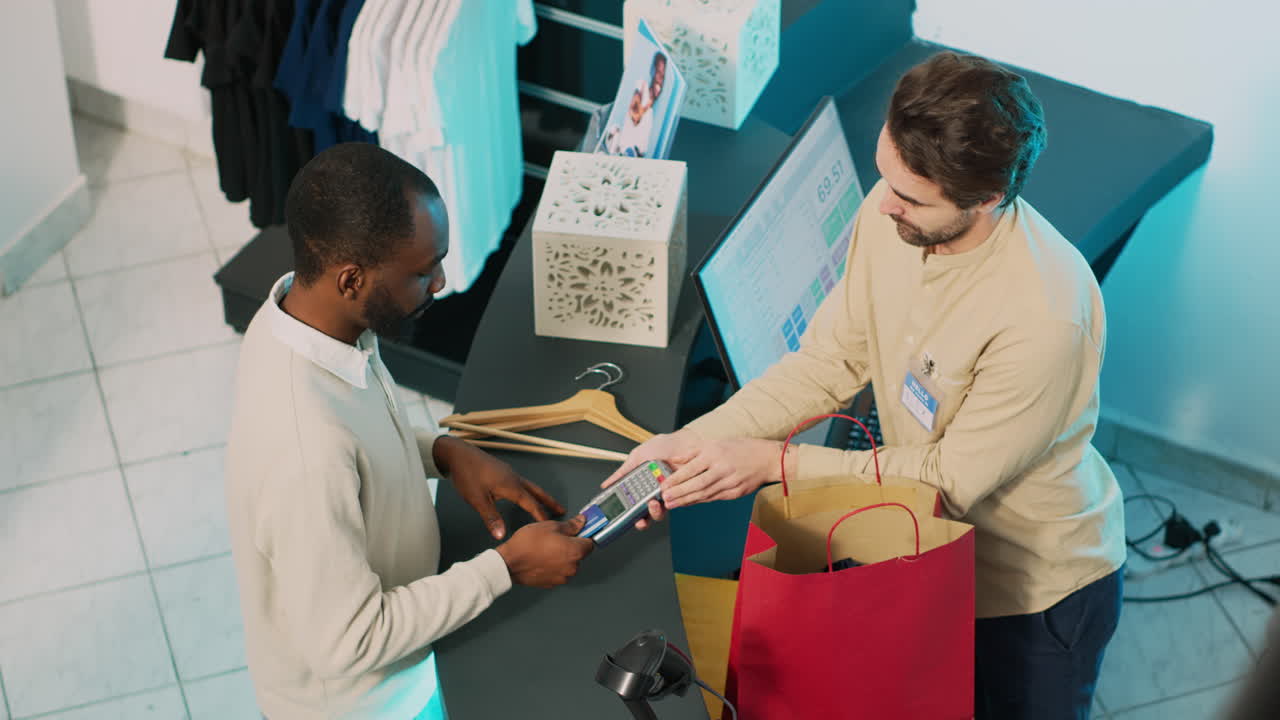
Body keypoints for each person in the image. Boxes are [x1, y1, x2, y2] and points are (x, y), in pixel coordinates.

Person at [606, 51, 1126, 719]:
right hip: (926, 559)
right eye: (884, 176)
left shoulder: (1045, 316)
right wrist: (689, 443)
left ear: (988, 197)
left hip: (1028, 595)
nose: (880, 205)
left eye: (910, 196)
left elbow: (946, 480)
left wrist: (771, 464)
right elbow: (827, 363)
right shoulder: (893, 222)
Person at [225, 143, 594, 719]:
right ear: (351, 279)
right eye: (423, 272)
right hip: (375, 704)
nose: (442, 283)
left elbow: (356, 441)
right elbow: (351, 641)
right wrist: (507, 567)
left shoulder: (302, 321)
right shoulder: (305, 450)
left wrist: (442, 453)